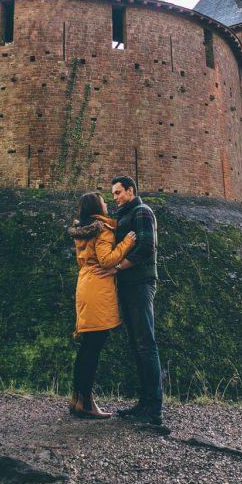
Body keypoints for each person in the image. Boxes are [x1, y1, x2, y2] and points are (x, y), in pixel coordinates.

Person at [65, 191, 136, 418]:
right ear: (97, 206)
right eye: (104, 201)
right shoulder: (102, 228)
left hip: (85, 283)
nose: (107, 203)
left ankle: (77, 398)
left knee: (87, 346)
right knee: (93, 347)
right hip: (98, 287)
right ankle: (86, 403)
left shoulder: (83, 231)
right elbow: (106, 260)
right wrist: (127, 243)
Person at [103, 175, 163, 425]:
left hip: (140, 282)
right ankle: (144, 403)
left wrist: (118, 267)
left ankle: (154, 409)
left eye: (118, 192)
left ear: (130, 190)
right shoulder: (126, 214)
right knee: (137, 343)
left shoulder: (142, 211)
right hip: (128, 284)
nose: (114, 197)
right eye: (113, 193)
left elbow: (147, 246)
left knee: (145, 343)